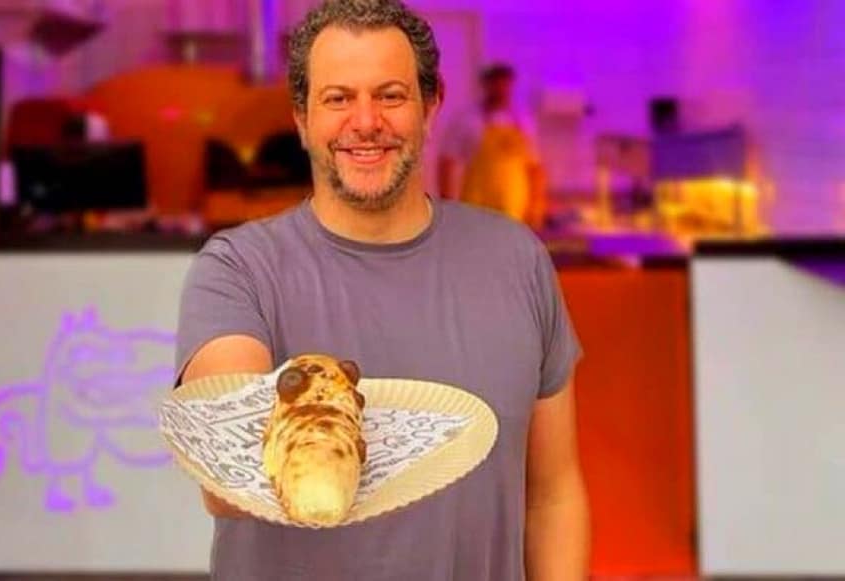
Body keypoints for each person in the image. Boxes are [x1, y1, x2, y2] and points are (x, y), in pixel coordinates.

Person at [175, 1, 589, 579]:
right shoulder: (239, 269)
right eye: (337, 98)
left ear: (431, 105)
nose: (366, 121)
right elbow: (229, 474)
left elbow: (553, 496)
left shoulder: (517, 260)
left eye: (390, 95)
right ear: (301, 118)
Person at [437, 62, 549, 228]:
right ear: (486, 85)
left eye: (505, 85)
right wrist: (447, 204)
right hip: (477, 200)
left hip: (514, 203)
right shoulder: (468, 119)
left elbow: (535, 166)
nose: (501, 90)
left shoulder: (523, 121)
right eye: (496, 85)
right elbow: (447, 161)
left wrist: (536, 205)